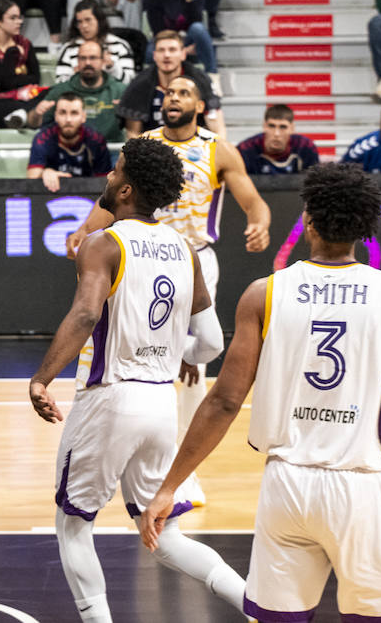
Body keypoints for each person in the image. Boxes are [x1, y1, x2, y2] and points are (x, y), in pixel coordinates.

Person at [140, 163, 381, 623]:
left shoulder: (263, 294)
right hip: (358, 482)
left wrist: (169, 487)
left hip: (285, 485)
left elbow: (224, 401)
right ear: (365, 228)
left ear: (308, 222)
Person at [31, 137, 245, 623]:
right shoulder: (185, 250)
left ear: (126, 190)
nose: (107, 176)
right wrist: (176, 354)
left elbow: (86, 316)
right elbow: (210, 342)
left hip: (110, 399)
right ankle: (256, 604)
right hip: (160, 406)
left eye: (115, 171)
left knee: (73, 527)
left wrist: (42, 378)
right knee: (165, 535)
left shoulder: (102, 244)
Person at [76, 73, 271, 502]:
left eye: (184, 93)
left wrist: (259, 221)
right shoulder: (143, 143)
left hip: (192, 260)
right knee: (132, 352)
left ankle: (182, 474)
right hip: (140, 252)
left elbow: (252, 199)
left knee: (189, 367)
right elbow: (112, 194)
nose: (173, 98)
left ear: (199, 105)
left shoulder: (217, 149)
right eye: (168, 93)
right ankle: (128, 448)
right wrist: (86, 230)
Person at [118, 31, 223, 138]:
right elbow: (133, 133)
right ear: (154, 55)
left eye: (172, 50)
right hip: (152, 148)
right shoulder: (139, 84)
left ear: (183, 54)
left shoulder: (201, 80)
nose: (166, 55)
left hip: (194, 148)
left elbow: (218, 130)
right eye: (161, 50)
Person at [144, 0, 217, 87]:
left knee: (198, 29)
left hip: (188, 38)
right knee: (149, 53)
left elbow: (197, 21)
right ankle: (153, 85)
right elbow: (158, 30)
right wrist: (182, 50)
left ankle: (212, 78)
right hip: (164, 40)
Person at [30, 39, 126, 142]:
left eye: (93, 58)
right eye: (83, 58)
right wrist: (36, 113)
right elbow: (33, 123)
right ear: (77, 62)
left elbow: (135, 129)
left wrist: (126, 115)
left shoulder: (120, 91)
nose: (87, 63)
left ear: (103, 61)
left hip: (110, 150)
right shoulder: (60, 90)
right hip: (70, 151)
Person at [0, 0, 43, 128]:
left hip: (24, 98)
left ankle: (20, 116)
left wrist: (12, 82)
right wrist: (12, 52)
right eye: (13, 18)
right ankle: (24, 115)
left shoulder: (25, 44)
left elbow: (35, 78)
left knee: (51, 94)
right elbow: (2, 84)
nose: (19, 22)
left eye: (19, 17)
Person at [27, 93, 112, 192]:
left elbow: (105, 184)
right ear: (56, 116)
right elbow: (31, 180)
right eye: (62, 113)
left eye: (74, 113)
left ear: (83, 117)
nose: (68, 119)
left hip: (87, 194)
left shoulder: (96, 140)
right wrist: (45, 173)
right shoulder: (43, 138)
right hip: (51, 193)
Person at [55, 0, 140, 84]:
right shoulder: (69, 48)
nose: (84, 26)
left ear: (99, 20)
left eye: (88, 20)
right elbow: (59, 84)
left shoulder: (119, 46)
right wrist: (76, 75)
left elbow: (130, 83)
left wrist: (112, 67)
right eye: (79, 22)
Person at [236, 104, 320, 175]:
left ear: (292, 128)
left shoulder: (305, 147)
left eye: (283, 127)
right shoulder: (245, 150)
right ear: (264, 126)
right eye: (271, 126)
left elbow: (314, 185)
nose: (277, 133)